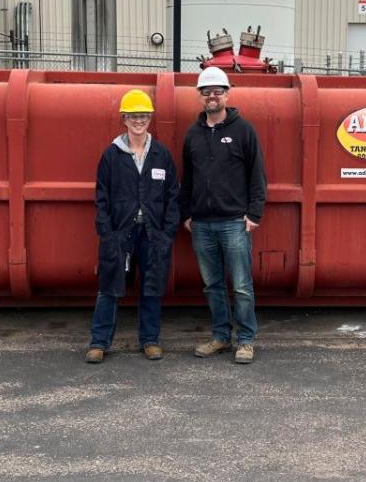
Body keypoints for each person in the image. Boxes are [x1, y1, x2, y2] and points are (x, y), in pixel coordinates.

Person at [179, 66, 267, 364]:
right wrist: (187, 213)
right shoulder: (193, 134)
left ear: (227, 94)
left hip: (234, 222)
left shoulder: (244, 130)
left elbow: (257, 176)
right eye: (206, 91)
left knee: (241, 285)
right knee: (212, 285)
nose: (212, 96)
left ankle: (245, 340)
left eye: (217, 91)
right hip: (202, 224)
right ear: (200, 96)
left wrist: (254, 214)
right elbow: (187, 179)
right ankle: (220, 336)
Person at [86, 89, 179, 364]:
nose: (138, 120)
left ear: (150, 118)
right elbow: (101, 197)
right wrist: (108, 233)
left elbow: (173, 194)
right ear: (124, 119)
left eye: (143, 115)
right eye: (133, 116)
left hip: (152, 233)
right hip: (120, 234)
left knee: (151, 286)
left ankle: (150, 340)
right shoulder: (111, 156)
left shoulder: (161, 155)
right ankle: (99, 342)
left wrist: (167, 232)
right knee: (109, 286)